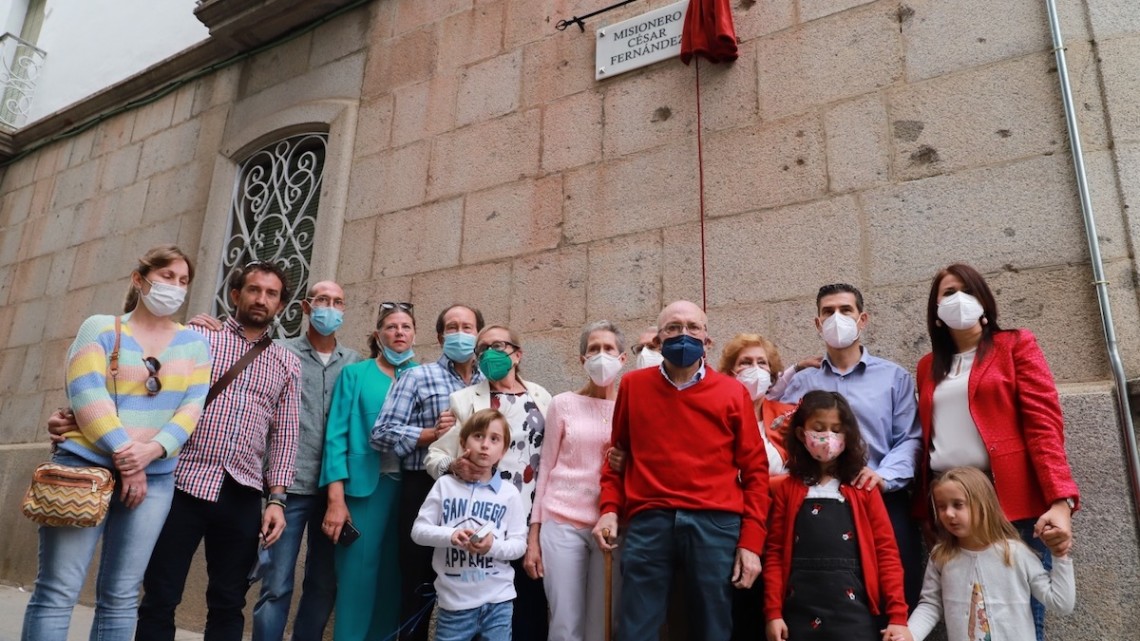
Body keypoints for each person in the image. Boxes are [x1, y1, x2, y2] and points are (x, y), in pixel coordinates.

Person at [22, 245, 212, 641]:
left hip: (155, 478)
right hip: (82, 470)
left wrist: (150, 453)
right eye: (166, 277)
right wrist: (130, 458)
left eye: (182, 281)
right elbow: (87, 396)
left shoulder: (195, 344)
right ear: (139, 279)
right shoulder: (101, 329)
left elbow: (192, 409)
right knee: (58, 590)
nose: (174, 287)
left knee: (122, 596)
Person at [137, 260, 301, 641]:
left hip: (241, 492)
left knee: (229, 603)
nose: (261, 299)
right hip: (182, 482)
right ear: (235, 295)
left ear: (280, 305)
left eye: (271, 294)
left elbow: (286, 434)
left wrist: (277, 500)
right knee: (161, 594)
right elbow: (153, 391)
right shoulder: (198, 339)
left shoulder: (286, 362)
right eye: (254, 290)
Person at [915, 263, 1080, 640]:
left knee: (1019, 615)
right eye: (947, 293)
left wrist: (1060, 500)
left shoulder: (1015, 344)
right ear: (935, 311)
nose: (957, 299)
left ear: (984, 301)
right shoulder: (927, 366)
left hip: (1011, 501)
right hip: (951, 500)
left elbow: (1044, 424)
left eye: (966, 290)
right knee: (964, 611)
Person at [594, 300, 769, 641]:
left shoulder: (733, 392)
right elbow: (617, 457)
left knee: (712, 627)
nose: (683, 335)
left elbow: (755, 471)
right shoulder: (633, 386)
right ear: (658, 340)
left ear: (708, 339)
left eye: (693, 327)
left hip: (715, 524)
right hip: (649, 519)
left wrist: (751, 543)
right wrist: (609, 510)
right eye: (673, 328)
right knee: (635, 628)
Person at [779, 283, 924, 608]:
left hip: (881, 499)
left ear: (862, 319)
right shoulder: (802, 383)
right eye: (828, 312)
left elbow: (910, 438)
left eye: (845, 310)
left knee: (894, 597)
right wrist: (790, 371)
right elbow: (769, 422)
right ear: (818, 323)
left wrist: (883, 476)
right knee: (827, 602)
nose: (837, 317)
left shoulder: (893, 377)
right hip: (818, 505)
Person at [250, 281, 362, 641]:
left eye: (338, 302)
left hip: (336, 489)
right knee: (276, 583)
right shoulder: (279, 352)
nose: (331, 307)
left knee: (324, 583)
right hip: (288, 487)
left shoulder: (354, 362)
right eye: (323, 300)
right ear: (306, 306)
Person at [425, 324, 553, 640]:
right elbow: (434, 456)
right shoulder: (465, 400)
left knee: (530, 611)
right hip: (484, 524)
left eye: (498, 345)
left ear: (517, 354)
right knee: (483, 617)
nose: (489, 353)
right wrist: (452, 468)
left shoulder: (542, 397)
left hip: (531, 521)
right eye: (482, 348)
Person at [371, 304, 485, 641]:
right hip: (425, 487)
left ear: (478, 334)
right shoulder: (417, 377)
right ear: (440, 336)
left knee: (471, 581)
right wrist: (430, 434)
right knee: (417, 583)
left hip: (474, 491)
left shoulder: (488, 381)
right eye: (453, 327)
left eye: (467, 327)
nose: (461, 333)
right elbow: (382, 433)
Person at [763, 391, 911, 641]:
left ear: (848, 435)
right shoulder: (788, 489)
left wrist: (898, 616)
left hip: (853, 614)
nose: (827, 437)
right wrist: (773, 613)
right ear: (801, 433)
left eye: (836, 429)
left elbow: (886, 552)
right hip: (798, 612)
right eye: (819, 428)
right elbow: (775, 554)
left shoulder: (863, 488)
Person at [319, 302, 418, 641]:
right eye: (391, 326)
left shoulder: (422, 375)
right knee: (357, 579)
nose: (399, 332)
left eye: (406, 326)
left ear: (415, 334)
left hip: (409, 493)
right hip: (362, 491)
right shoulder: (355, 374)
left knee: (394, 580)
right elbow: (336, 437)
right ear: (379, 334)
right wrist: (335, 498)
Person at [528, 320, 626, 641]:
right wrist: (534, 535)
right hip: (562, 522)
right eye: (593, 349)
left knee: (604, 621)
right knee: (565, 621)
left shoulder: (631, 408)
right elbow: (545, 469)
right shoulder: (563, 404)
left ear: (622, 358)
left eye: (608, 348)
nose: (601, 355)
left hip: (610, 525)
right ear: (583, 359)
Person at [905, 467, 1075, 641]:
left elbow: (1061, 603)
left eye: (958, 504)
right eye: (941, 507)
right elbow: (931, 605)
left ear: (983, 506)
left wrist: (1060, 556)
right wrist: (908, 635)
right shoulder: (942, 556)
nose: (948, 513)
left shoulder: (1015, 553)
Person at [411, 409, 527, 641]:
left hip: (498, 603)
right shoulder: (445, 485)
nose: (485, 445)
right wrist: (451, 535)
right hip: (454, 606)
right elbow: (418, 532)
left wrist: (491, 547)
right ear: (463, 442)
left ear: (503, 451)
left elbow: (518, 546)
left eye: (494, 439)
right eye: (478, 436)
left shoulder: (510, 493)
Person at [717, 333, 795, 641]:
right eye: (745, 362)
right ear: (731, 372)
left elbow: (801, 476)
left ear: (773, 372)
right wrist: (776, 483)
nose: (754, 368)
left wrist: (761, 484)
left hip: (781, 530)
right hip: (731, 530)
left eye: (761, 362)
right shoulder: (718, 415)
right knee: (740, 616)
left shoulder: (789, 415)